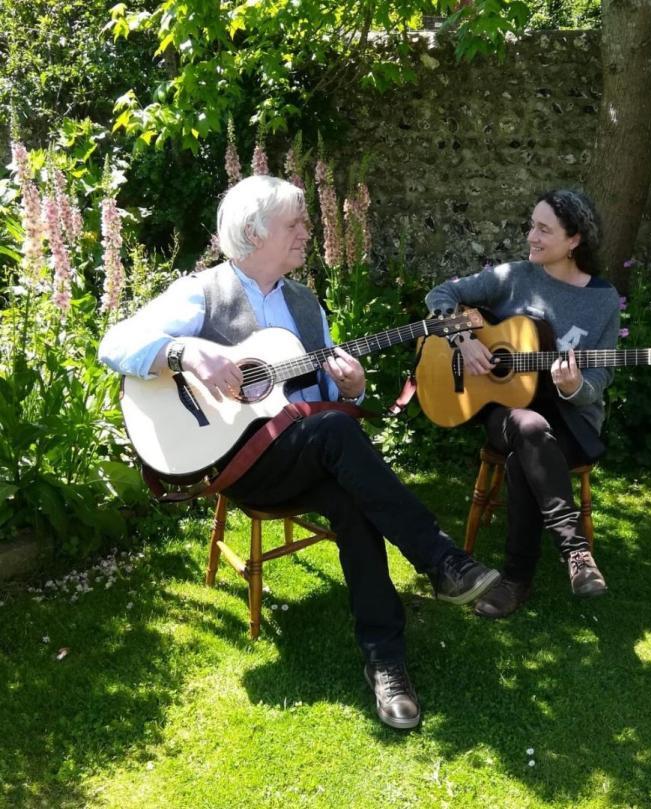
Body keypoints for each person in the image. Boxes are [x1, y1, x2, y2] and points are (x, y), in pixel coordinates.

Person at [99, 175, 500, 730]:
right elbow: (113, 345)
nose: (308, 233)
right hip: (239, 464)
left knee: (351, 493)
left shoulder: (307, 306)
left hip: (306, 455)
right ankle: (440, 560)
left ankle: (386, 658)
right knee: (335, 438)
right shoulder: (203, 292)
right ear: (253, 232)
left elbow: (320, 400)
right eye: (296, 223)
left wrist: (353, 387)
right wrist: (184, 351)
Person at [425, 189, 619, 619]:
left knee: (524, 457)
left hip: (570, 420)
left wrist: (573, 388)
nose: (530, 236)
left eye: (543, 229)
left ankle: (516, 581)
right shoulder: (514, 275)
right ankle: (576, 551)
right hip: (505, 410)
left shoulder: (603, 301)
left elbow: (601, 376)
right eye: (531, 225)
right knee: (527, 427)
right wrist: (464, 338)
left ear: (574, 240)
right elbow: (440, 294)